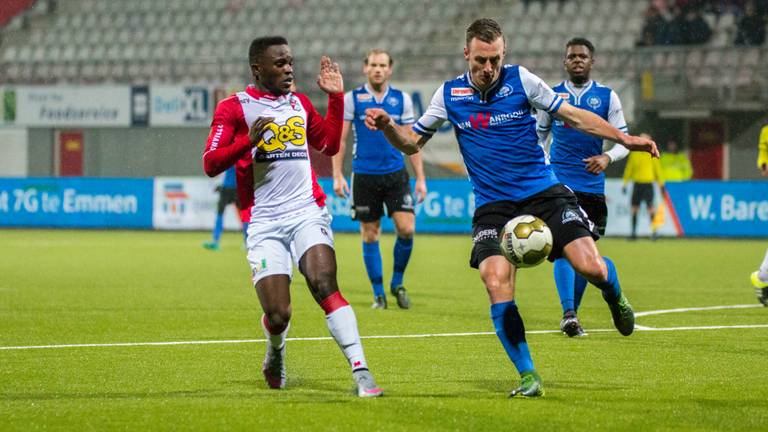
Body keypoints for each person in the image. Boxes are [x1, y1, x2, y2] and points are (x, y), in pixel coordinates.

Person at [365, 18, 658, 398]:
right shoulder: (449, 94)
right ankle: (528, 375)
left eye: (495, 60)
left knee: (591, 267)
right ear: (466, 54)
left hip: (544, 192)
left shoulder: (522, 80)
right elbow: (411, 143)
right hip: (493, 205)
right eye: (481, 60)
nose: (488, 68)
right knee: (494, 281)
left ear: (504, 54)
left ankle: (613, 293)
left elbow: (573, 116)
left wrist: (624, 139)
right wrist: (389, 126)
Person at [202, 36, 382, 397]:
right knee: (279, 314)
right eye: (280, 63)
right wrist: (247, 142)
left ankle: (361, 372)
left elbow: (329, 144)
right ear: (257, 69)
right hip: (264, 221)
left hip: (306, 211)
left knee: (324, 283)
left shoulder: (299, 103)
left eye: (290, 62)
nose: (289, 69)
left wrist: (335, 98)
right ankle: (276, 350)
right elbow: (210, 163)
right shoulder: (234, 108)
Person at [536, 37, 631, 338]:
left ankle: (611, 290)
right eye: (572, 56)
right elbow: (538, 137)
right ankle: (569, 315)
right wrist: (544, 165)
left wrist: (607, 157)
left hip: (592, 190)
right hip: (559, 187)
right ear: (565, 62)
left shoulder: (607, 97)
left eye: (582, 56)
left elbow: (624, 140)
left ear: (592, 61)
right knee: (564, 250)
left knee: (588, 260)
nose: (577, 60)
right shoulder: (552, 97)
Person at [332, 49, 427, 310]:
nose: (378, 69)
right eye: (373, 65)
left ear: (390, 69)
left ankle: (397, 283)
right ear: (365, 68)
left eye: (383, 65)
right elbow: (341, 139)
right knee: (370, 234)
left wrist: (420, 178)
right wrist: (337, 174)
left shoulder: (401, 99)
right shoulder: (352, 99)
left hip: (395, 174)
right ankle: (378, 294)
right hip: (364, 175)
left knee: (406, 228)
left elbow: (411, 140)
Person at [622, 136, 665, 240]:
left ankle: (654, 233)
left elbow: (657, 169)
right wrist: (625, 183)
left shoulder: (652, 152)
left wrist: (661, 184)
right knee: (634, 208)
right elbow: (629, 168)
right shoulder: (634, 153)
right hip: (637, 184)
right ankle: (633, 234)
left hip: (648, 184)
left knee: (650, 208)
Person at [203, 165, 245, 251]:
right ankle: (247, 242)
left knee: (221, 214)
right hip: (236, 188)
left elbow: (216, 171)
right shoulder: (242, 159)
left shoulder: (230, 159)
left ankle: (215, 241)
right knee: (243, 216)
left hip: (228, 189)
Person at [751, 123, 768, 304]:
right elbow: (763, 152)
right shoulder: (766, 131)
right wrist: (764, 164)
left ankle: (763, 276)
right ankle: (764, 276)